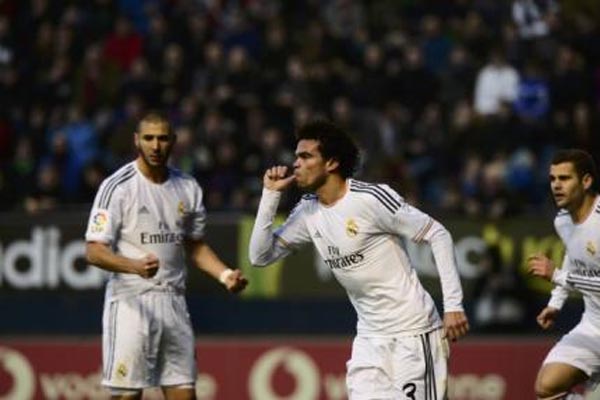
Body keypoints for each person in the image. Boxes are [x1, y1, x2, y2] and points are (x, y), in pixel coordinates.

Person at [248, 119, 469, 399]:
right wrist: (270, 196)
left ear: (331, 163)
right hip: (369, 339)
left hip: (414, 334)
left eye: (305, 156)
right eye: (296, 157)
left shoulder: (371, 199)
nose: (296, 164)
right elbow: (259, 256)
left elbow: (438, 234)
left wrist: (453, 306)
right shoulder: (307, 211)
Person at [85, 111, 247, 400]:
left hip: (174, 303)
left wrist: (225, 275)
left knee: (185, 395)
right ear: (137, 141)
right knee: (126, 396)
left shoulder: (188, 187)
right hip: (131, 303)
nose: (155, 146)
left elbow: (195, 246)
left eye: (162, 138)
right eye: (148, 138)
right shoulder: (117, 187)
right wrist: (133, 266)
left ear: (174, 141)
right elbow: (94, 251)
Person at [528, 149, 600, 400]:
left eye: (565, 178)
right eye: (552, 179)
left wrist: (557, 276)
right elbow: (573, 255)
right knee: (546, 388)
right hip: (594, 325)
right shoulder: (563, 221)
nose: (557, 185)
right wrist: (556, 302)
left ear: (586, 181)